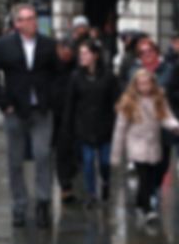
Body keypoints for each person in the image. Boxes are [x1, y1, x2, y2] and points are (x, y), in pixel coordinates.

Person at [0, 2, 61, 228]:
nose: (32, 22)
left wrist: (52, 100)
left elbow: (59, 75)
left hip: (41, 110)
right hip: (15, 110)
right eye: (27, 19)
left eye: (34, 18)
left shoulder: (48, 45)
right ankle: (19, 204)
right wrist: (3, 103)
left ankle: (43, 203)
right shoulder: (3, 45)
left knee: (43, 155)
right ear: (17, 23)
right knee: (15, 160)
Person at [111, 69, 179, 224]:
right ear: (135, 85)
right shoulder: (128, 102)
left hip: (153, 144)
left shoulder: (159, 99)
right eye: (140, 83)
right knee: (144, 177)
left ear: (152, 84)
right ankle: (148, 210)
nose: (144, 86)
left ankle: (140, 203)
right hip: (136, 145)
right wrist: (116, 155)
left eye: (147, 83)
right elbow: (120, 130)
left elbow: (166, 117)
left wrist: (175, 126)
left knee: (150, 176)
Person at [63, 40, 119, 209]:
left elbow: (116, 101)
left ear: (95, 55)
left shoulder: (109, 76)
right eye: (81, 54)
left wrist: (116, 123)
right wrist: (68, 128)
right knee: (87, 160)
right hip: (83, 126)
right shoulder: (75, 76)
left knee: (104, 161)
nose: (82, 57)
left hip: (105, 125)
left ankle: (106, 183)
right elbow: (70, 103)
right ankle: (91, 194)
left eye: (86, 53)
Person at [52, 39, 79, 204]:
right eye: (65, 54)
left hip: (73, 115)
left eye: (70, 55)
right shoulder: (52, 66)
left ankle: (68, 181)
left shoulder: (77, 69)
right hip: (56, 114)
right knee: (61, 152)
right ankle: (65, 186)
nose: (67, 57)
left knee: (72, 152)